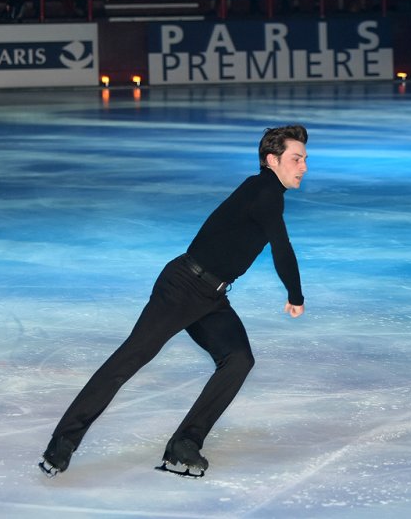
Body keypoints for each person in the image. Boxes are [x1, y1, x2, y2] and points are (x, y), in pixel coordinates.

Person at [40, 125, 308, 478]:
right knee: (130, 358)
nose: (303, 167)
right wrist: (295, 295)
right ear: (273, 160)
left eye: (304, 159)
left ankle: (185, 443)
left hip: (210, 296)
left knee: (238, 359)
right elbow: (281, 246)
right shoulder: (265, 191)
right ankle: (61, 444)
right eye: (296, 158)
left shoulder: (264, 191)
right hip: (182, 287)